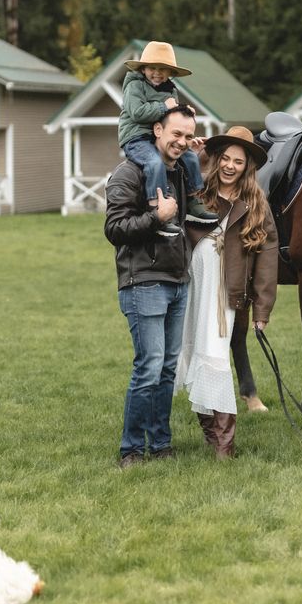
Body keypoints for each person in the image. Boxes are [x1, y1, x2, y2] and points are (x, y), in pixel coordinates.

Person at [174, 126, 278, 458]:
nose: (230, 166)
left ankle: (224, 443)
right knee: (196, 351)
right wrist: (196, 151)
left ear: (247, 167)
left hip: (226, 292)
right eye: (225, 159)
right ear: (217, 160)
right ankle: (210, 432)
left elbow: (268, 257)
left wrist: (262, 310)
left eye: (238, 161)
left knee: (216, 354)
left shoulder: (255, 203)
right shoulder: (200, 191)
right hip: (193, 286)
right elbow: (173, 167)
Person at [105, 105, 197, 468]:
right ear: (157, 130)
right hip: (143, 281)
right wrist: (154, 217)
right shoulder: (128, 173)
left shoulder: (180, 173)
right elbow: (114, 229)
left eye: (188, 136)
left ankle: (160, 444)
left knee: (168, 369)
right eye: (176, 134)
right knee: (149, 366)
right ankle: (131, 449)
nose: (181, 142)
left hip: (178, 281)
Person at [119, 41, 219, 236]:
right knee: (154, 163)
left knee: (190, 156)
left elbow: (172, 119)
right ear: (144, 68)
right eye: (153, 68)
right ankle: (157, 209)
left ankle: (193, 200)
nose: (157, 73)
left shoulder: (170, 89)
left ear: (170, 72)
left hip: (160, 137)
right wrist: (166, 107)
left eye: (163, 69)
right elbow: (137, 113)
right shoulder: (134, 85)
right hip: (137, 138)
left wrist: (184, 112)